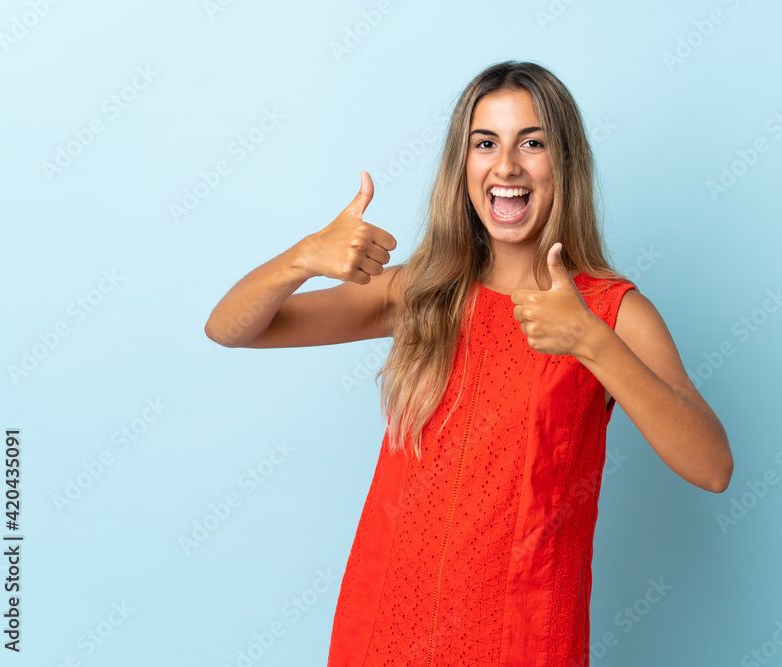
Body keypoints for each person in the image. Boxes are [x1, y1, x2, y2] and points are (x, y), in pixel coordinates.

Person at [205, 60, 732, 666]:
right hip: (386, 626)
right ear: (464, 166)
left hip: (523, 636)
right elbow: (230, 328)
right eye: (486, 144)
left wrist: (591, 342)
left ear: (567, 164)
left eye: (532, 143)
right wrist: (303, 258)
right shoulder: (420, 293)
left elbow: (712, 466)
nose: (506, 166)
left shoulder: (613, 313)